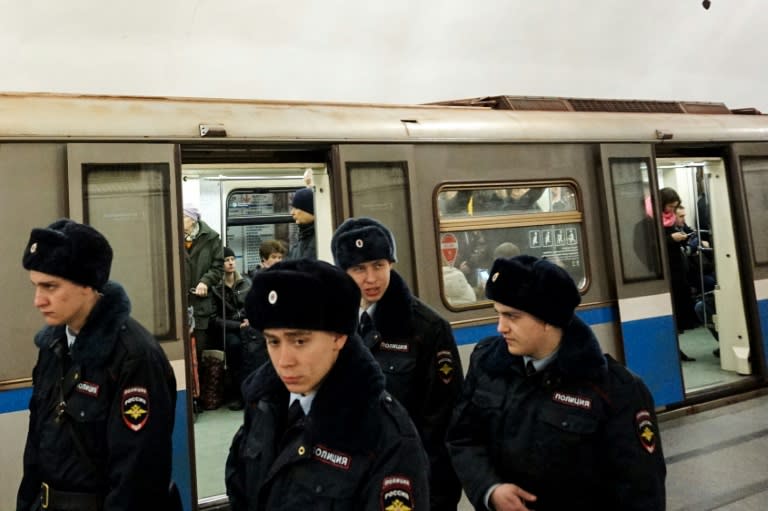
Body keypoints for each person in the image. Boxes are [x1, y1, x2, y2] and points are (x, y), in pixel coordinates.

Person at [447, 255, 666, 511]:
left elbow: (641, 493)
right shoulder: (487, 363)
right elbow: (462, 437)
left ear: (549, 319)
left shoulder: (615, 391)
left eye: (512, 317)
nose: (500, 328)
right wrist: (489, 489)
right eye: (498, 314)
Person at [225, 259, 429, 510]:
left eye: (299, 341)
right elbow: (240, 487)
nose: (284, 361)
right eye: (273, 342)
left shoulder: (384, 434)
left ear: (339, 338)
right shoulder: (263, 402)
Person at [17, 219, 180, 511]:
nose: (38, 300)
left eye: (50, 287)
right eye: (35, 286)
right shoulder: (53, 347)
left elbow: (137, 476)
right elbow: (36, 451)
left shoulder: (134, 357)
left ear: (88, 285)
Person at [331, 217, 464, 511]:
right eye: (358, 269)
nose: (371, 279)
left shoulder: (428, 329)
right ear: (343, 272)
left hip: (407, 483)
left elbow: (443, 423)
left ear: (391, 263)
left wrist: (438, 498)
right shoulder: (329, 324)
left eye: (378, 266)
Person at [211, 247, 252, 411]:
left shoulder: (246, 282)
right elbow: (215, 319)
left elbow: (252, 304)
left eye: (232, 259)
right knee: (235, 347)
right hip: (228, 328)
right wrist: (237, 325)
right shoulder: (215, 287)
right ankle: (237, 395)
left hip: (247, 324)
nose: (230, 263)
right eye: (226, 260)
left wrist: (250, 318)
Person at [183, 205, 224, 360]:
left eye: (183, 217)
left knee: (199, 350)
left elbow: (218, 266)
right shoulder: (173, 236)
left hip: (201, 305)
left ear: (193, 220)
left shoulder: (211, 238)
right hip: (180, 305)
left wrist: (205, 282)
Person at [287, 188, 316, 260]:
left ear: (310, 210)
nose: (292, 212)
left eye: (296, 208)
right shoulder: (303, 237)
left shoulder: (318, 241)